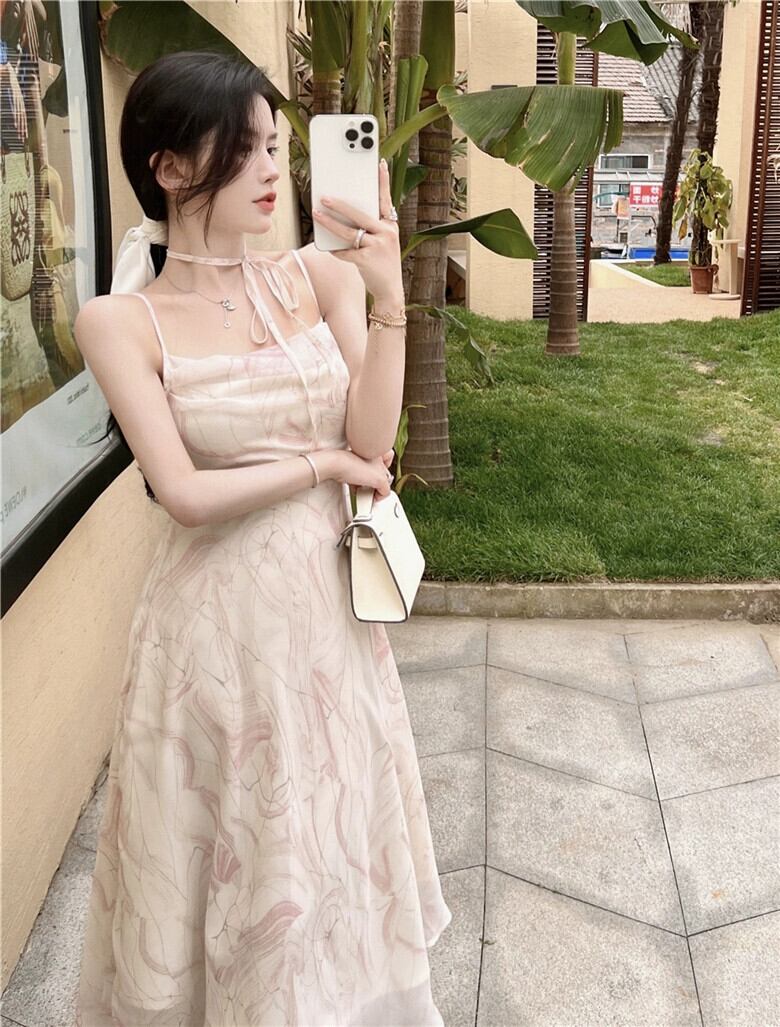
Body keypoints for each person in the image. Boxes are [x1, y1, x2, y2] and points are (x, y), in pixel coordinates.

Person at [73, 50, 452, 1026]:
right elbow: (184, 493)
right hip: (215, 637)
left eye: (277, 146)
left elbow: (372, 441)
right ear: (169, 168)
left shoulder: (317, 277)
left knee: (329, 837)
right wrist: (320, 467)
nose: (273, 169)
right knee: (238, 845)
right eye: (244, 148)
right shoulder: (120, 322)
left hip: (327, 622)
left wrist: (387, 297)